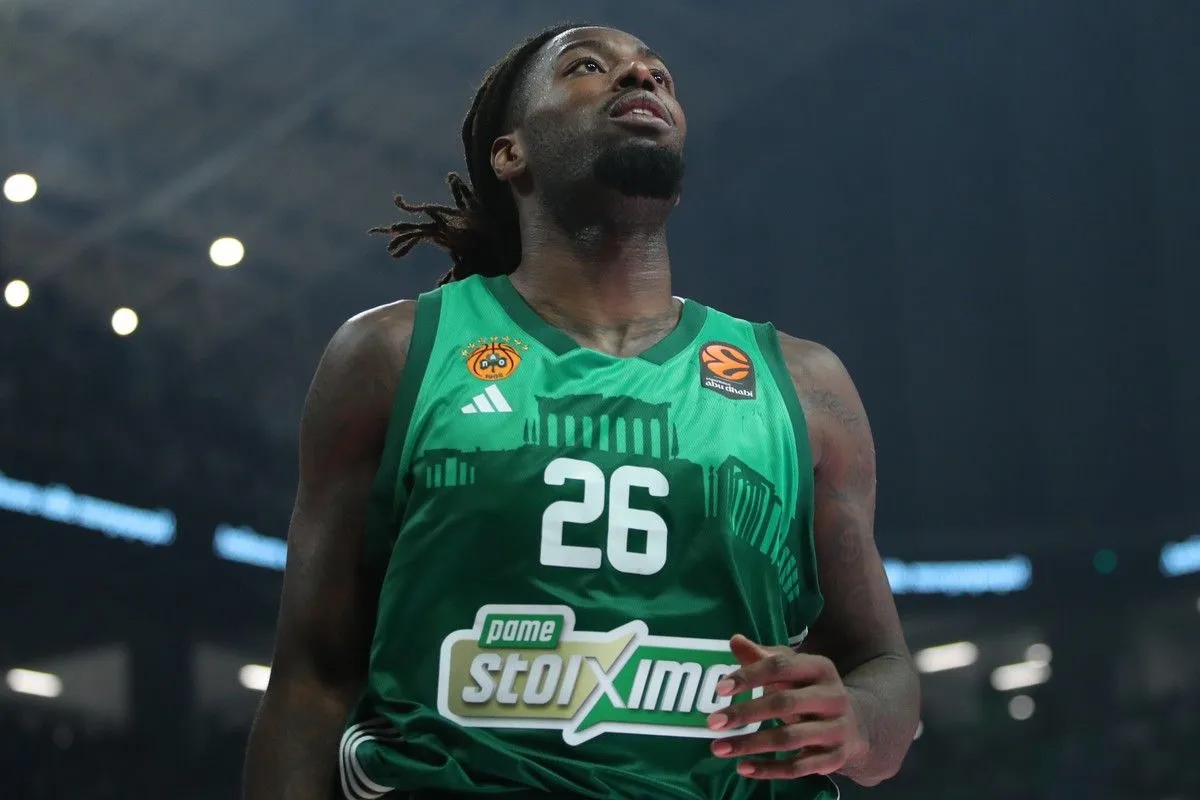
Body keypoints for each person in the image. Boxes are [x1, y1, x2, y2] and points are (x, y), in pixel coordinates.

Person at [243, 23, 920, 800]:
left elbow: (885, 671)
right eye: (589, 67)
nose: (640, 77)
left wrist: (855, 722)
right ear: (511, 154)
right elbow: (311, 680)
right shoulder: (392, 355)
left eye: (659, 75)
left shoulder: (803, 385)